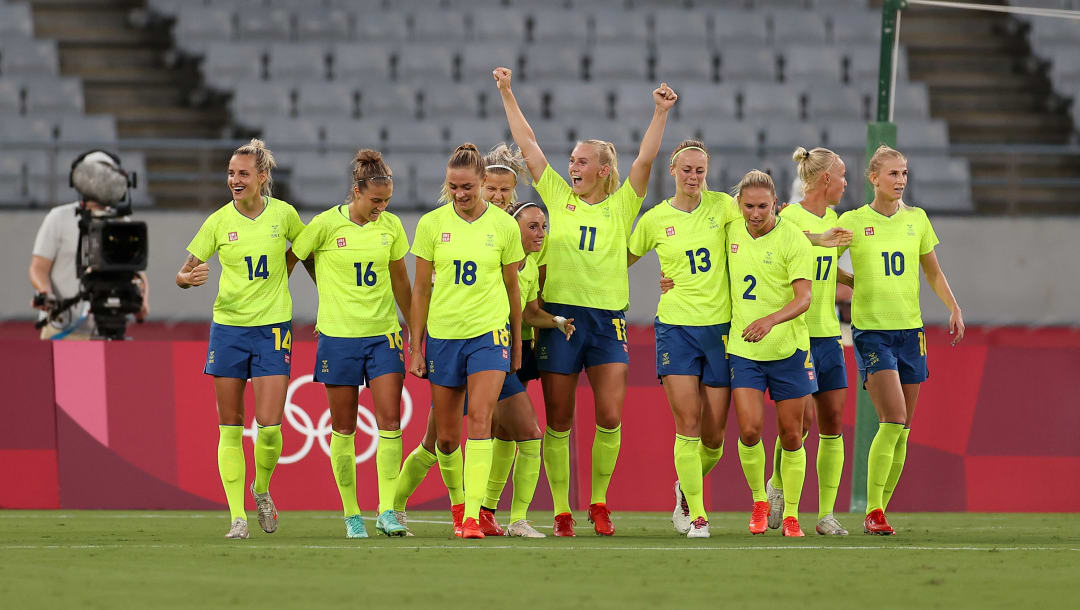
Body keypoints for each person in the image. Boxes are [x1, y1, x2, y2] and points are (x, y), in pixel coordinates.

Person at [494, 65, 676, 536]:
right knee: (559, 420)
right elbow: (530, 145)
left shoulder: (622, 205)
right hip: (559, 319)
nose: (571, 167)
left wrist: (659, 113)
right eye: (571, 160)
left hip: (607, 321)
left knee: (611, 416)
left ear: (602, 169)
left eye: (580, 161)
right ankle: (560, 509)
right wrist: (508, 93)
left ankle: (598, 502)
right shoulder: (555, 195)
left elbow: (644, 162)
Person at [391, 144, 531, 535]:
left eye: (467, 186)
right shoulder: (432, 224)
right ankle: (453, 507)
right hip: (444, 337)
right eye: (453, 187)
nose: (460, 194)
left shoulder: (504, 227)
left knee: (482, 420)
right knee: (445, 440)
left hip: (488, 336)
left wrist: (516, 345)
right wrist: (416, 346)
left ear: (483, 182)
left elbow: (512, 290)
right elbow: (420, 291)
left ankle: (472, 517)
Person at [175, 139, 305, 539]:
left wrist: (284, 271)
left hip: (273, 329)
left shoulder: (283, 215)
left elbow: (303, 250)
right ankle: (237, 516)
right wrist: (186, 279)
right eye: (231, 173)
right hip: (228, 328)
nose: (234, 180)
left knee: (268, 428)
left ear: (262, 177)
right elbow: (185, 271)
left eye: (243, 174)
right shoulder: (218, 222)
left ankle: (261, 489)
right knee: (229, 425)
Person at [838, 145, 964, 535]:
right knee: (892, 418)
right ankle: (873, 510)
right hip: (873, 332)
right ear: (873, 178)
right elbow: (817, 263)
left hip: (912, 332)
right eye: (893, 174)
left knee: (903, 427)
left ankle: (880, 510)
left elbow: (933, 273)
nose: (900, 181)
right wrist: (848, 282)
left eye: (904, 173)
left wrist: (954, 308)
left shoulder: (918, 220)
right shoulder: (854, 221)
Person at [290, 149, 411, 538]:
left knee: (390, 423)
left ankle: (387, 510)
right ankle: (351, 513)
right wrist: (323, 286)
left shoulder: (390, 227)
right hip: (339, 337)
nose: (382, 207)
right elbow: (293, 258)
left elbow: (401, 283)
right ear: (356, 191)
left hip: (383, 335)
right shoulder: (325, 224)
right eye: (376, 200)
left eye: (387, 200)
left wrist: (417, 336)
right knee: (343, 428)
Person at [626, 139, 740, 539]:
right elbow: (620, 259)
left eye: (700, 170)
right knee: (688, 424)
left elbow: (766, 233)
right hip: (675, 328)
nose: (693, 176)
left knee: (715, 438)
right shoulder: (655, 219)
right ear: (672, 171)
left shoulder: (725, 207)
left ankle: (684, 491)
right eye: (686, 169)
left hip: (721, 330)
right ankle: (698, 517)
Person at [764, 146, 855, 536]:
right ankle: (778, 488)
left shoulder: (837, 220)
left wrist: (858, 281)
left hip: (828, 334)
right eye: (843, 175)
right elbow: (783, 242)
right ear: (824, 180)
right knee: (798, 426)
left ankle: (826, 514)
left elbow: (830, 272)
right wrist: (821, 238)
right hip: (795, 335)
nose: (846, 183)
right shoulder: (787, 216)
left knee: (832, 423)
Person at [726, 169, 816, 537]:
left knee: (792, 435)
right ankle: (759, 501)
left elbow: (804, 298)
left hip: (787, 349)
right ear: (739, 205)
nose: (755, 213)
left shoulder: (793, 239)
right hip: (743, 349)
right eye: (748, 206)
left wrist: (770, 320)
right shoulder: (730, 229)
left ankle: (792, 513)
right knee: (749, 430)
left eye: (763, 206)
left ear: (776, 204)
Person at [30, 151, 148, 339]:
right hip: (63, 328)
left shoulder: (122, 222)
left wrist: (142, 301)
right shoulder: (58, 218)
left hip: (108, 326)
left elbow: (136, 271)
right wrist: (46, 293)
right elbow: (39, 267)